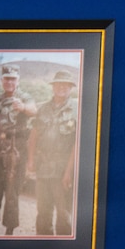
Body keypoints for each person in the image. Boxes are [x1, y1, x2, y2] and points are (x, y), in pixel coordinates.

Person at [0, 65, 36, 235]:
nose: (10, 82)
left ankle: (9, 231)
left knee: (12, 192)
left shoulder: (25, 98)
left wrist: (23, 108)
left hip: (16, 149)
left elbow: (34, 111)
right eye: (7, 79)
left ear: (18, 80)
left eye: (13, 79)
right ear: (2, 80)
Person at [31, 71, 78, 236]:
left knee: (64, 213)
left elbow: (76, 145)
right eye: (58, 84)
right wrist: (30, 161)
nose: (62, 87)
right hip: (43, 167)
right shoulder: (43, 108)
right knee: (43, 212)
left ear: (70, 88)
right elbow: (34, 136)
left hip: (64, 168)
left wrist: (68, 172)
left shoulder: (77, 110)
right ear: (53, 87)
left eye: (65, 84)